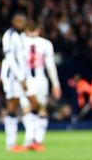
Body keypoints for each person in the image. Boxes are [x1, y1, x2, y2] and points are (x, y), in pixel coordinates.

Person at [20, 22, 62, 151]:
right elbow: (50, 66)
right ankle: (38, 140)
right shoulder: (46, 43)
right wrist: (56, 84)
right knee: (41, 108)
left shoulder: (20, 41)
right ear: (38, 30)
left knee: (27, 108)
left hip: (25, 79)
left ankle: (29, 139)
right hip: (40, 79)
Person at [1, 13, 29, 151]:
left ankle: (13, 142)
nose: (20, 23)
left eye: (22, 20)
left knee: (16, 106)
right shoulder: (9, 35)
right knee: (12, 106)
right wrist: (21, 77)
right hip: (11, 76)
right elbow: (10, 58)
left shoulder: (21, 36)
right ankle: (10, 143)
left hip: (19, 76)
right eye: (17, 20)